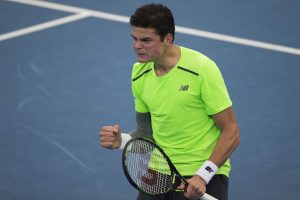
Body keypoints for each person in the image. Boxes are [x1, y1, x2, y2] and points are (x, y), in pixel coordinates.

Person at [99, 3, 240, 200]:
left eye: (146, 40)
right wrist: (120, 140)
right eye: (134, 38)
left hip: (201, 175)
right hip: (158, 174)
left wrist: (203, 175)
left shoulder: (202, 69)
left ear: (167, 39)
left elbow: (231, 131)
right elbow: (145, 132)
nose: (137, 46)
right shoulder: (139, 73)